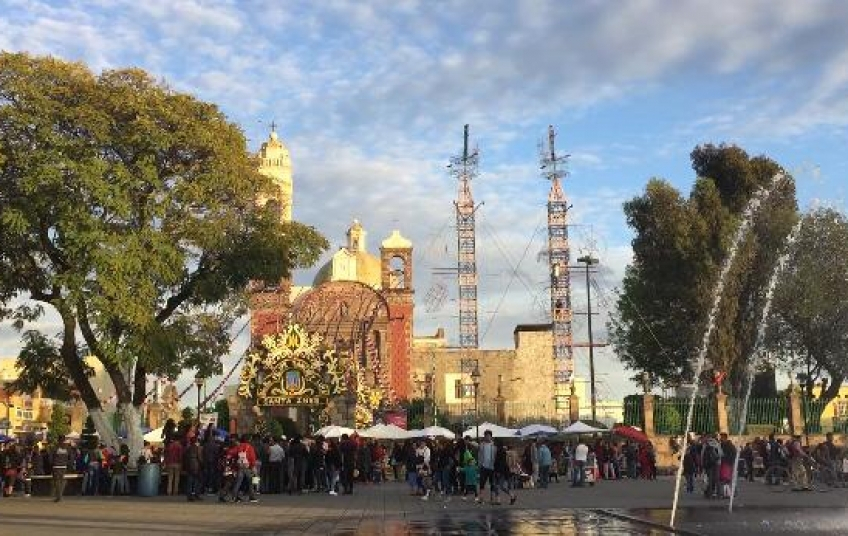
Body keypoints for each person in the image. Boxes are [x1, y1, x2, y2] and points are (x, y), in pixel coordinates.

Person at [230, 435, 258, 502]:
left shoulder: (238, 446)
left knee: (238, 482)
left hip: (240, 466)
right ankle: (252, 497)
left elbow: (232, 453)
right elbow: (252, 457)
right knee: (250, 482)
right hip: (247, 467)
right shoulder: (250, 447)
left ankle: (234, 497)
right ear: (249, 440)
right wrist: (253, 466)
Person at [701, 434, 723, 499]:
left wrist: (703, 464)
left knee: (710, 479)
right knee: (717, 479)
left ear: (706, 438)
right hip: (717, 463)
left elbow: (702, 455)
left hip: (709, 464)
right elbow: (721, 453)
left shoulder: (706, 444)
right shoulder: (717, 443)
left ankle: (710, 494)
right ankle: (719, 494)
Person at [49, 436, 70, 502]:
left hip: (56, 466)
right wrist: (67, 463)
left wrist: (52, 464)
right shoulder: (67, 448)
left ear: (58, 440)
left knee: (57, 482)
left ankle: (59, 497)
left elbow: (50, 457)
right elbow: (70, 457)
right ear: (64, 440)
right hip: (64, 466)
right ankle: (59, 496)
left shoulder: (54, 447)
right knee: (62, 481)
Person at [477, 430, 497, 502]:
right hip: (483, 466)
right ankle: (481, 497)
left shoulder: (494, 445)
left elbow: (496, 455)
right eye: (486, 436)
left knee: (492, 483)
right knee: (482, 482)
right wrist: (479, 464)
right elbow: (479, 454)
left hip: (492, 467)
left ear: (491, 436)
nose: (487, 437)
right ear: (484, 436)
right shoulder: (481, 445)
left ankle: (492, 497)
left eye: (489, 436)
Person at [183, 436, 203, 501]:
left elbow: (185, 457)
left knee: (190, 481)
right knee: (197, 481)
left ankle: (189, 496)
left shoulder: (188, 448)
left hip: (189, 466)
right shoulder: (197, 448)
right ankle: (196, 494)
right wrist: (202, 464)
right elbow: (199, 458)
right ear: (196, 441)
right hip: (196, 466)